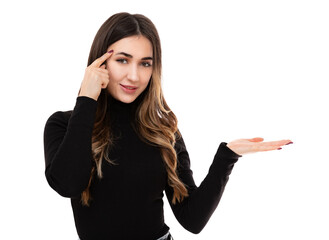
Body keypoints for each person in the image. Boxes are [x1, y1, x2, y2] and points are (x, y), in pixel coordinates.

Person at [43, 12, 292, 240]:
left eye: (145, 63)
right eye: (122, 60)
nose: (134, 76)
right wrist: (87, 98)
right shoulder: (64, 125)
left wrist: (226, 157)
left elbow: (192, 219)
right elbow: (68, 185)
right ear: (100, 63)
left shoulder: (162, 131)